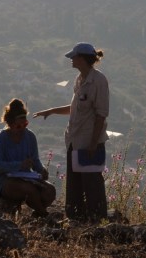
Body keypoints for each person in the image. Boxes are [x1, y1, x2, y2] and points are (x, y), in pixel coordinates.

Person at [33, 42, 109, 221]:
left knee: (92, 183)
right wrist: (51, 111)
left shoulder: (98, 80)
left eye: (74, 57)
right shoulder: (80, 80)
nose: (71, 60)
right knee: (74, 183)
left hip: (89, 141)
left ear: (82, 58)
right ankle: (75, 217)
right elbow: (75, 107)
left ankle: (96, 218)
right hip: (74, 140)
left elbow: (101, 114)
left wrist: (93, 142)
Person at [0, 98, 56, 217]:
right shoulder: (0, 138)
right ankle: (43, 214)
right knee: (30, 190)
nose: (22, 129)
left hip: (25, 177)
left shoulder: (30, 137)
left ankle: (38, 212)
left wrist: (41, 170)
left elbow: (35, 161)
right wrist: (19, 165)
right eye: (19, 126)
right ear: (10, 123)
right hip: (4, 180)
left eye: (25, 124)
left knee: (50, 190)